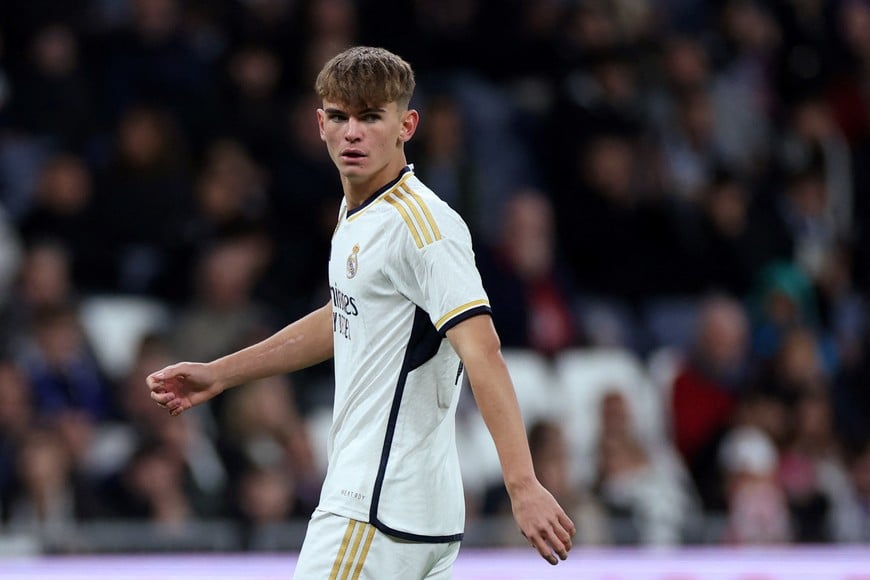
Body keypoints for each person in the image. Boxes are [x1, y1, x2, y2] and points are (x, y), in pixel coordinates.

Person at [148, 46, 575, 578]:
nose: (353, 132)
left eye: (371, 117)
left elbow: (483, 352)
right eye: (340, 117)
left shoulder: (424, 229)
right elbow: (344, 318)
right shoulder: (359, 212)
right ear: (319, 123)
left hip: (372, 513)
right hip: (406, 514)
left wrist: (522, 484)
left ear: (406, 124)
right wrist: (220, 374)